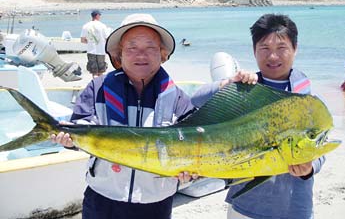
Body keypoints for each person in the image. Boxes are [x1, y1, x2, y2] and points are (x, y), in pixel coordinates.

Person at [52, 13, 197, 219]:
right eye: (132, 47)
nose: (141, 55)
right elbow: (82, 126)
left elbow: (193, 147)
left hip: (155, 203)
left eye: (150, 47)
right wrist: (69, 138)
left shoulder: (178, 99)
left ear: (162, 54)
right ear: (119, 54)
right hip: (102, 198)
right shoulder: (98, 88)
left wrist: (189, 174)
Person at [192, 14, 324, 219]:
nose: (273, 57)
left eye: (281, 49)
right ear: (254, 51)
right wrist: (229, 84)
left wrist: (310, 167)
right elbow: (196, 100)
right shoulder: (246, 91)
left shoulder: (307, 98)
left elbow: (322, 146)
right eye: (265, 49)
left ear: (295, 49)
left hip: (294, 208)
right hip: (245, 206)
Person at [81, 10, 110, 78]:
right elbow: (107, 38)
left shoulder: (86, 26)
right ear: (97, 15)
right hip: (101, 51)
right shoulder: (102, 26)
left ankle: (95, 83)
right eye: (99, 15)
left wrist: (90, 42)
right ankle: (100, 84)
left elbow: (82, 40)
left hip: (91, 50)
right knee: (101, 70)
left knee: (93, 71)